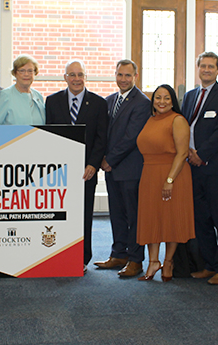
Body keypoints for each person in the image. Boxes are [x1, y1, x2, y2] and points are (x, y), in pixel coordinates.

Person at [45, 60, 109, 270]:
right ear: (65, 78)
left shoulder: (99, 103)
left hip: (86, 171)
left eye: (80, 74)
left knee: (83, 214)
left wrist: (93, 165)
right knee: (60, 214)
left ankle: (81, 258)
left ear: (85, 77)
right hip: (60, 171)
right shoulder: (52, 101)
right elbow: (49, 135)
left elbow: (101, 138)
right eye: (71, 75)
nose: (76, 79)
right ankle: (59, 254)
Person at [181, 52, 218, 285]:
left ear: (217, 70)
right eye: (202, 66)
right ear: (198, 68)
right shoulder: (190, 96)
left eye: (210, 66)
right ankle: (209, 265)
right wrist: (189, 154)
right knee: (200, 219)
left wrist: (201, 155)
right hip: (192, 168)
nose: (206, 70)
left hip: (216, 169)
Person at [93, 59, 151, 277]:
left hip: (130, 169)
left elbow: (131, 137)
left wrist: (110, 159)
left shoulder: (142, 103)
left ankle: (136, 260)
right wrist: (100, 158)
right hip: (112, 170)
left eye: (128, 75)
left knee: (134, 216)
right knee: (116, 213)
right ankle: (119, 254)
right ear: (115, 75)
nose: (123, 79)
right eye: (120, 75)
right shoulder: (109, 101)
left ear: (135, 77)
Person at [135, 84, 195, 282]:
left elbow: (183, 153)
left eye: (167, 98)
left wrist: (169, 180)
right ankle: (153, 262)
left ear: (173, 101)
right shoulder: (150, 120)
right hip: (149, 174)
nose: (162, 101)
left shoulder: (178, 120)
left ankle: (168, 261)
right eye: (158, 97)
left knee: (171, 219)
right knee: (152, 218)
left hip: (173, 175)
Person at [0, 55, 45, 125]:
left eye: (30, 71)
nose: (26, 74)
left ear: (35, 73)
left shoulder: (38, 96)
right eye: (22, 71)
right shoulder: (5, 96)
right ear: (15, 73)